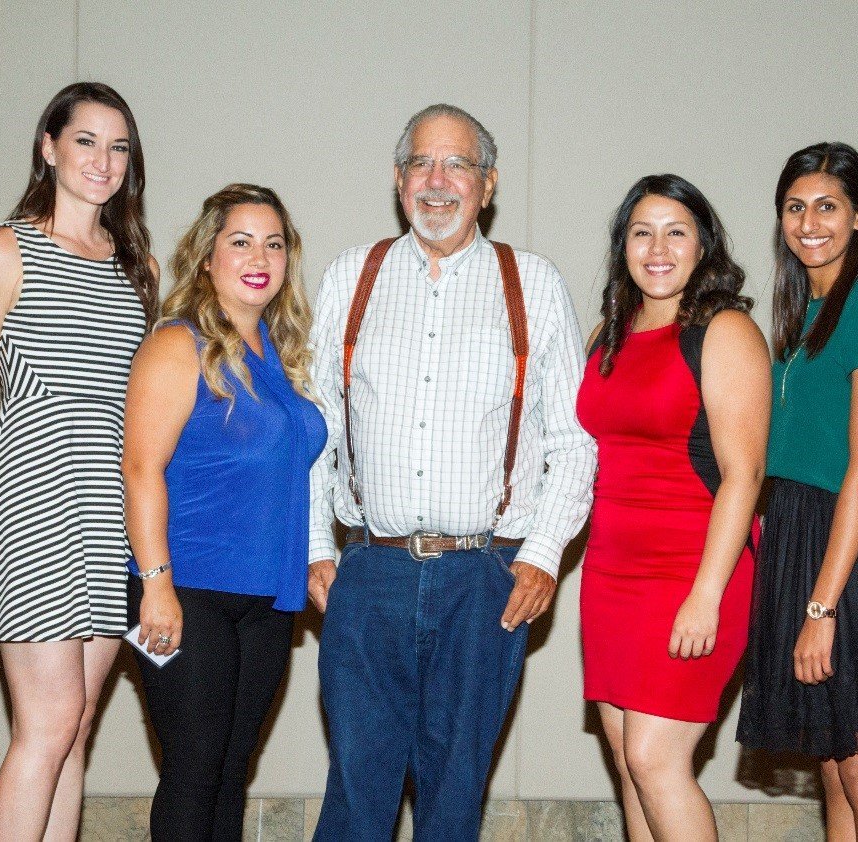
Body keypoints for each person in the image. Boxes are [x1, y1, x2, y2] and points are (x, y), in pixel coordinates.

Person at [306, 103, 596, 840]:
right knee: (356, 794)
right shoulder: (351, 276)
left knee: (454, 794)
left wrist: (540, 556)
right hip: (370, 572)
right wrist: (314, 547)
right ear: (399, 179)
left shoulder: (531, 283)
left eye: (456, 164)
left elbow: (575, 438)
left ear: (487, 183)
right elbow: (318, 435)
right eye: (420, 164)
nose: (437, 181)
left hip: (484, 579)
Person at [0, 82, 156, 840]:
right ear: (49, 146)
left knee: (79, 723)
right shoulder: (3, 250)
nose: (103, 160)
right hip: (29, 510)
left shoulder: (132, 266)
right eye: (86, 140)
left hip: (107, 520)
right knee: (49, 720)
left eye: (118, 146)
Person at [120, 184, 326, 840]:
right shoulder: (176, 345)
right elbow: (139, 468)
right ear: (207, 256)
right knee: (194, 766)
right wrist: (156, 588)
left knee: (232, 766)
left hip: (269, 598)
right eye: (240, 240)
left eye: (273, 243)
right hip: (188, 589)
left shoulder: (278, 353)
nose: (258, 255)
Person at [577, 174, 768, 841]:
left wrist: (705, 596)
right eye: (641, 232)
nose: (657, 248)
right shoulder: (610, 330)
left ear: (702, 246)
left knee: (655, 759)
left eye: (675, 231)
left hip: (691, 572)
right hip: (608, 575)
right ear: (622, 246)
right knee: (629, 766)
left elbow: (744, 475)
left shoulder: (725, 331)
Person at [737, 142, 858, 839]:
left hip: (849, 549)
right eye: (795, 206)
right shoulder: (797, 312)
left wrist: (823, 605)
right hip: (795, 533)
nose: (810, 222)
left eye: (828, 206)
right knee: (834, 770)